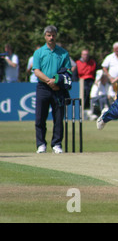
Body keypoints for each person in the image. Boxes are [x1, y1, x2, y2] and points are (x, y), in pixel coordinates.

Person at [32, 26, 72, 154]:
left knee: (59, 117)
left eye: (53, 35)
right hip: (43, 87)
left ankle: (57, 144)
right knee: (40, 117)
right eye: (49, 35)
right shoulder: (39, 52)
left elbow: (68, 71)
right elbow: (36, 71)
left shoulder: (63, 53)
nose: (51, 37)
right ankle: (41, 144)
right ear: (45, 36)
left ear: (56, 36)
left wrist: (57, 82)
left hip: (58, 88)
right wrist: (49, 81)